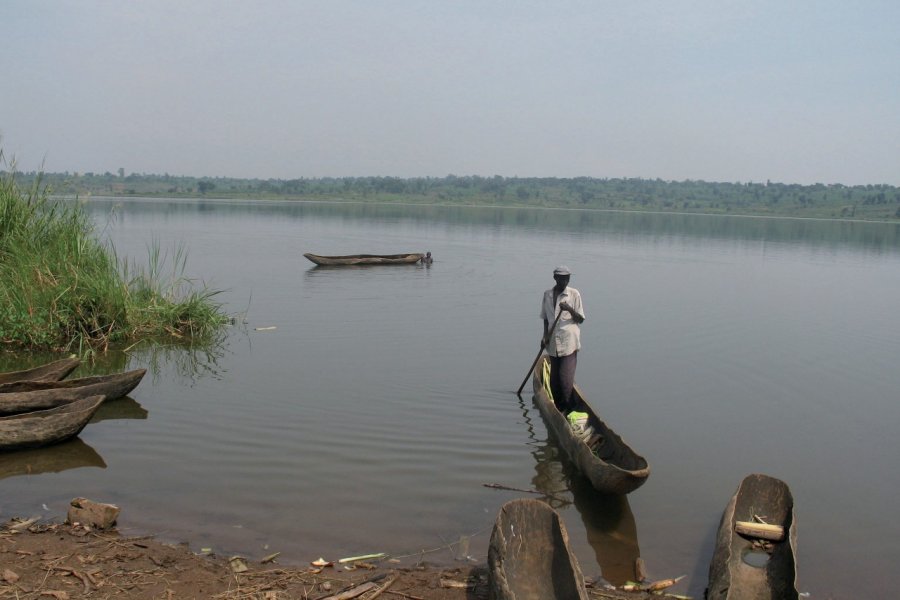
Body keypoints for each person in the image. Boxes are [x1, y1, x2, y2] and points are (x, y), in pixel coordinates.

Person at [540, 265, 585, 414]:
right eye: (561, 278)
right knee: (554, 382)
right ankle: (559, 410)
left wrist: (569, 309)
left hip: (569, 343)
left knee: (565, 379)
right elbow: (546, 318)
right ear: (555, 278)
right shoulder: (547, 295)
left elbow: (580, 319)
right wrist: (545, 336)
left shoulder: (574, 294)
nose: (564, 281)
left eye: (567, 278)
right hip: (553, 342)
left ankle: (570, 410)